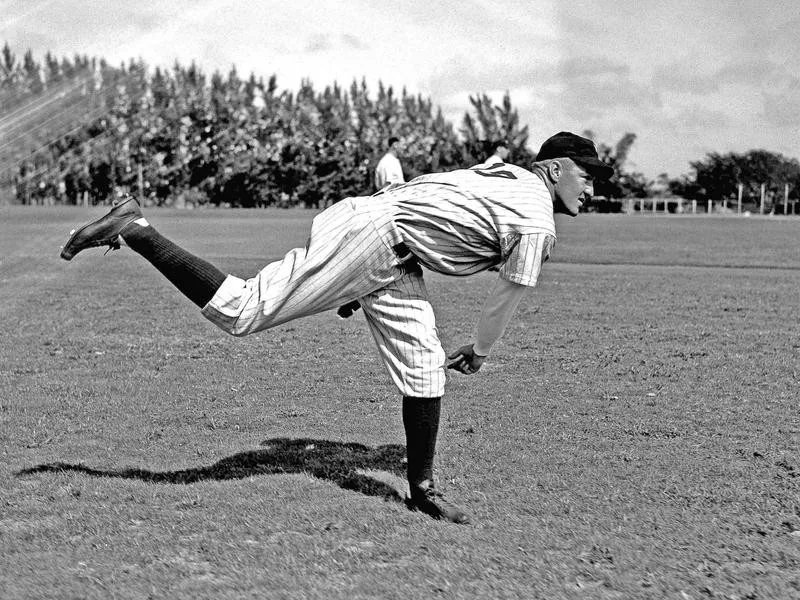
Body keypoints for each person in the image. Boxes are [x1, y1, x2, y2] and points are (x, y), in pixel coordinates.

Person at [59, 131, 613, 524]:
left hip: (392, 252)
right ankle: (135, 228)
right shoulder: (537, 217)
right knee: (242, 310)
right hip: (376, 239)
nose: (593, 189)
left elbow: (435, 198)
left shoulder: (507, 173)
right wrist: (481, 349)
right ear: (557, 168)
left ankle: (421, 490)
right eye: (588, 176)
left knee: (424, 369)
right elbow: (509, 292)